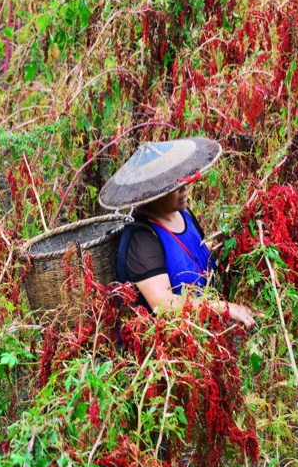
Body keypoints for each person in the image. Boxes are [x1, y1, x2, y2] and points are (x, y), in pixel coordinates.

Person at [100, 137, 256, 329]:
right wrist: (224, 307)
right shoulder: (142, 238)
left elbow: (185, 255)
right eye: (175, 186)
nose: (184, 188)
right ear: (153, 193)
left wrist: (225, 245)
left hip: (202, 331)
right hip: (165, 346)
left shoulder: (182, 213)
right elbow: (163, 304)